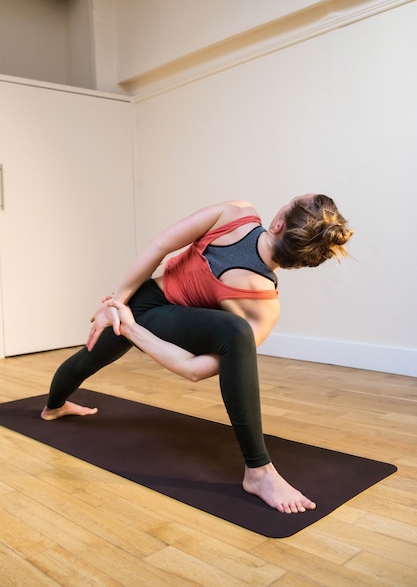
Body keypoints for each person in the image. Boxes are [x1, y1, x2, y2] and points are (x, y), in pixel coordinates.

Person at [41, 195, 353, 514]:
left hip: (156, 317)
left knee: (235, 332)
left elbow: (193, 368)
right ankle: (54, 407)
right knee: (89, 358)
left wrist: (128, 324)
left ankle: (259, 472)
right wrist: (116, 304)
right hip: (143, 303)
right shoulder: (261, 298)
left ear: (277, 224)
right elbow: (161, 246)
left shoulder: (239, 215)